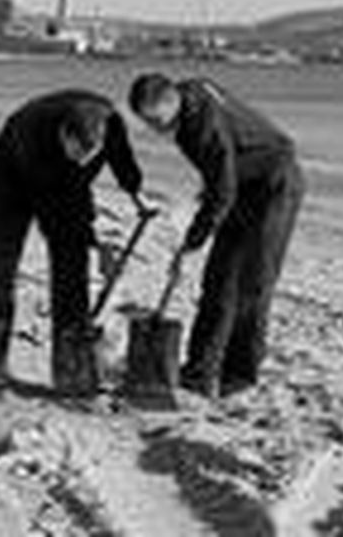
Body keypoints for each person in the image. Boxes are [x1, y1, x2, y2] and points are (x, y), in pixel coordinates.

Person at [128, 72, 305, 399]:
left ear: (170, 102)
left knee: (254, 282)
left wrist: (193, 241)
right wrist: (207, 198)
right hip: (242, 185)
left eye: (155, 120)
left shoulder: (198, 127)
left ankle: (240, 374)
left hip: (275, 186)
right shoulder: (191, 93)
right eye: (146, 123)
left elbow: (222, 187)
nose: (154, 130)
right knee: (218, 281)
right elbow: (222, 171)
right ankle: (199, 371)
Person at [0, 88, 151, 397]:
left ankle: (72, 373)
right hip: (10, 179)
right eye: (74, 153)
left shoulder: (112, 125)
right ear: (65, 133)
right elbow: (62, 198)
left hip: (59, 186)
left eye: (87, 157)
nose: (80, 162)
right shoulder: (34, 138)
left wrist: (136, 196)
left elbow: (123, 164)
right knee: (0, 271)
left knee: (72, 271)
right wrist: (97, 242)